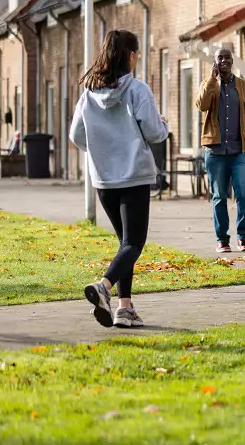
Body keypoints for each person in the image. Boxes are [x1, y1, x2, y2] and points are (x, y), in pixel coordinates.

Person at [70, 29, 169, 328]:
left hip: (104, 182)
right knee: (134, 244)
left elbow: (76, 135)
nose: (138, 58)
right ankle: (104, 287)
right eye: (137, 53)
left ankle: (125, 309)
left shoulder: (88, 93)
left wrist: (103, 150)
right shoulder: (138, 90)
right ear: (130, 55)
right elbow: (154, 132)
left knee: (124, 244)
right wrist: (163, 125)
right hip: (134, 177)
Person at [195, 47, 245, 253]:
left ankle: (243, 237)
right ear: (214, 62)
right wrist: (211, 79)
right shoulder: (209, 85)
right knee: (219, 196)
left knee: (244, 193)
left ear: (232, 61)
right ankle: (222, 239)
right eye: (219, 57)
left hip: (240, 149)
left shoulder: (244, 87)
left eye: (227, 57)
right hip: (215, 152)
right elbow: (202, 105)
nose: (224, 60)